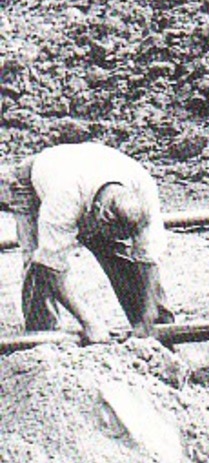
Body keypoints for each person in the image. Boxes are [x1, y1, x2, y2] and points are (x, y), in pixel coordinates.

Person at [6, 142, 171, 344]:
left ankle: (162, 340)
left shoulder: (143, 190)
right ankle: (42, 345)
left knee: (124, 259)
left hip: (88, 175)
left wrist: (148, 317)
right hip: (34, 180)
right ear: (100, 215)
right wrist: (90, 321)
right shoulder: (65, 196)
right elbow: (49, 264)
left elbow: (149, 258)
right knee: (37, 266)